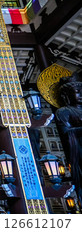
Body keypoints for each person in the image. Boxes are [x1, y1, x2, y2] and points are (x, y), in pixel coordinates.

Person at [55, 70, 82, 199]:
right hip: (79, 148)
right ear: (66, 95)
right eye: (77, 92)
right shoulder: (64, 111)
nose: (81, 94)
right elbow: (66, 133)